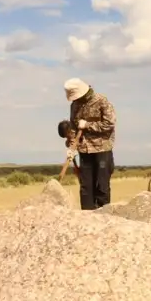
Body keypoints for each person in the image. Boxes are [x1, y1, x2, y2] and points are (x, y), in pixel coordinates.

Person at [62, 78, 117, 210]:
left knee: (102, 185)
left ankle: (104, 215)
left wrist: (88, 125)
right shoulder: (74, 105)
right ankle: (87, 215)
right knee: (85, 187)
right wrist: (71, 143)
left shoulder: (102, 101)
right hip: (84, 150)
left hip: (102, 149)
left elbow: (109, 124)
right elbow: (74, 127)